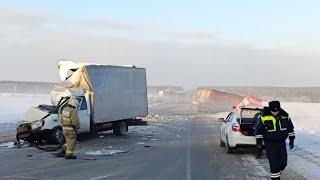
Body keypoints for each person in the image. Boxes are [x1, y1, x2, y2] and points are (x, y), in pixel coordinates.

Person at [255, 101, 295, 180]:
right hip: (270, 144)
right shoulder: (264, 117)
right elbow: (258, 131)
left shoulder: (285, 116)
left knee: (284, 162)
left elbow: (290, 129)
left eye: (277, 111)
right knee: (274, 164)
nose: (275, 113)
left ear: (279, 109)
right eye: (273, 111)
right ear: (270, 109)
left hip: (281, 143)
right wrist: (259, 143)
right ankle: (275, 177)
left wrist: (291, 140)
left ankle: (277, 172)